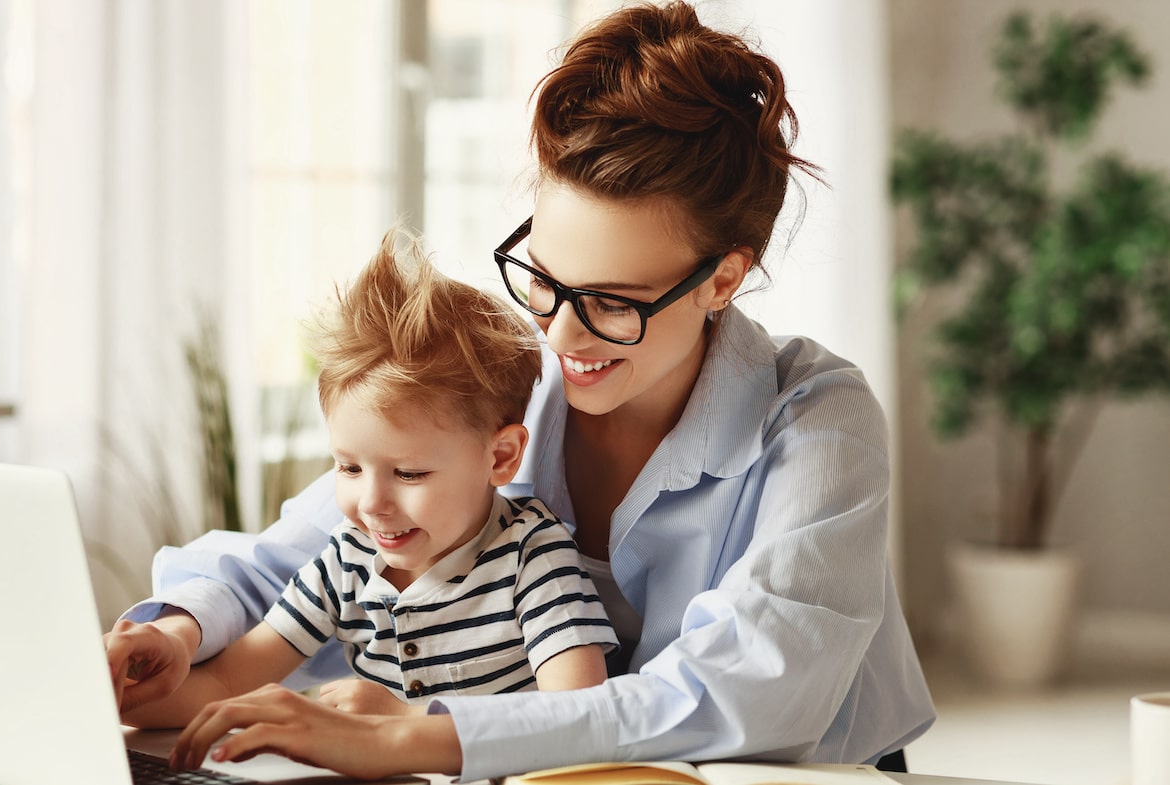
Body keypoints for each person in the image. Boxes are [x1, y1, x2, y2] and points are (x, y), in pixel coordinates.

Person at [105, 1, 936, 780]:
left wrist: (413, 729)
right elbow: (290, 558)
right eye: (543, 278)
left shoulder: (820, 420)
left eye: (613, 302)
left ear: (722, 279)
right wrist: (175, 631)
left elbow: (742, 692)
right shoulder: (497, 384)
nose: (561, 337)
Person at [113, 230, 617, 746]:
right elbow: (222, 682)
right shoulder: (347, 561)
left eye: (408, 474)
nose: (371, 505)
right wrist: (111, 694)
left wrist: (409, 720)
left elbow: (579, 717)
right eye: (349, 468)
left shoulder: (533, 556)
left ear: (501, 457)